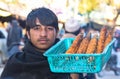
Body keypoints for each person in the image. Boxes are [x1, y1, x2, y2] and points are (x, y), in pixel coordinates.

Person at [0, 7, 70, 79]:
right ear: (28, 33)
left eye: (49, 28)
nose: (43, 34)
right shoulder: (15, 62)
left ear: (57, 32)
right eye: (37, 28)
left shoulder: (68, 61)